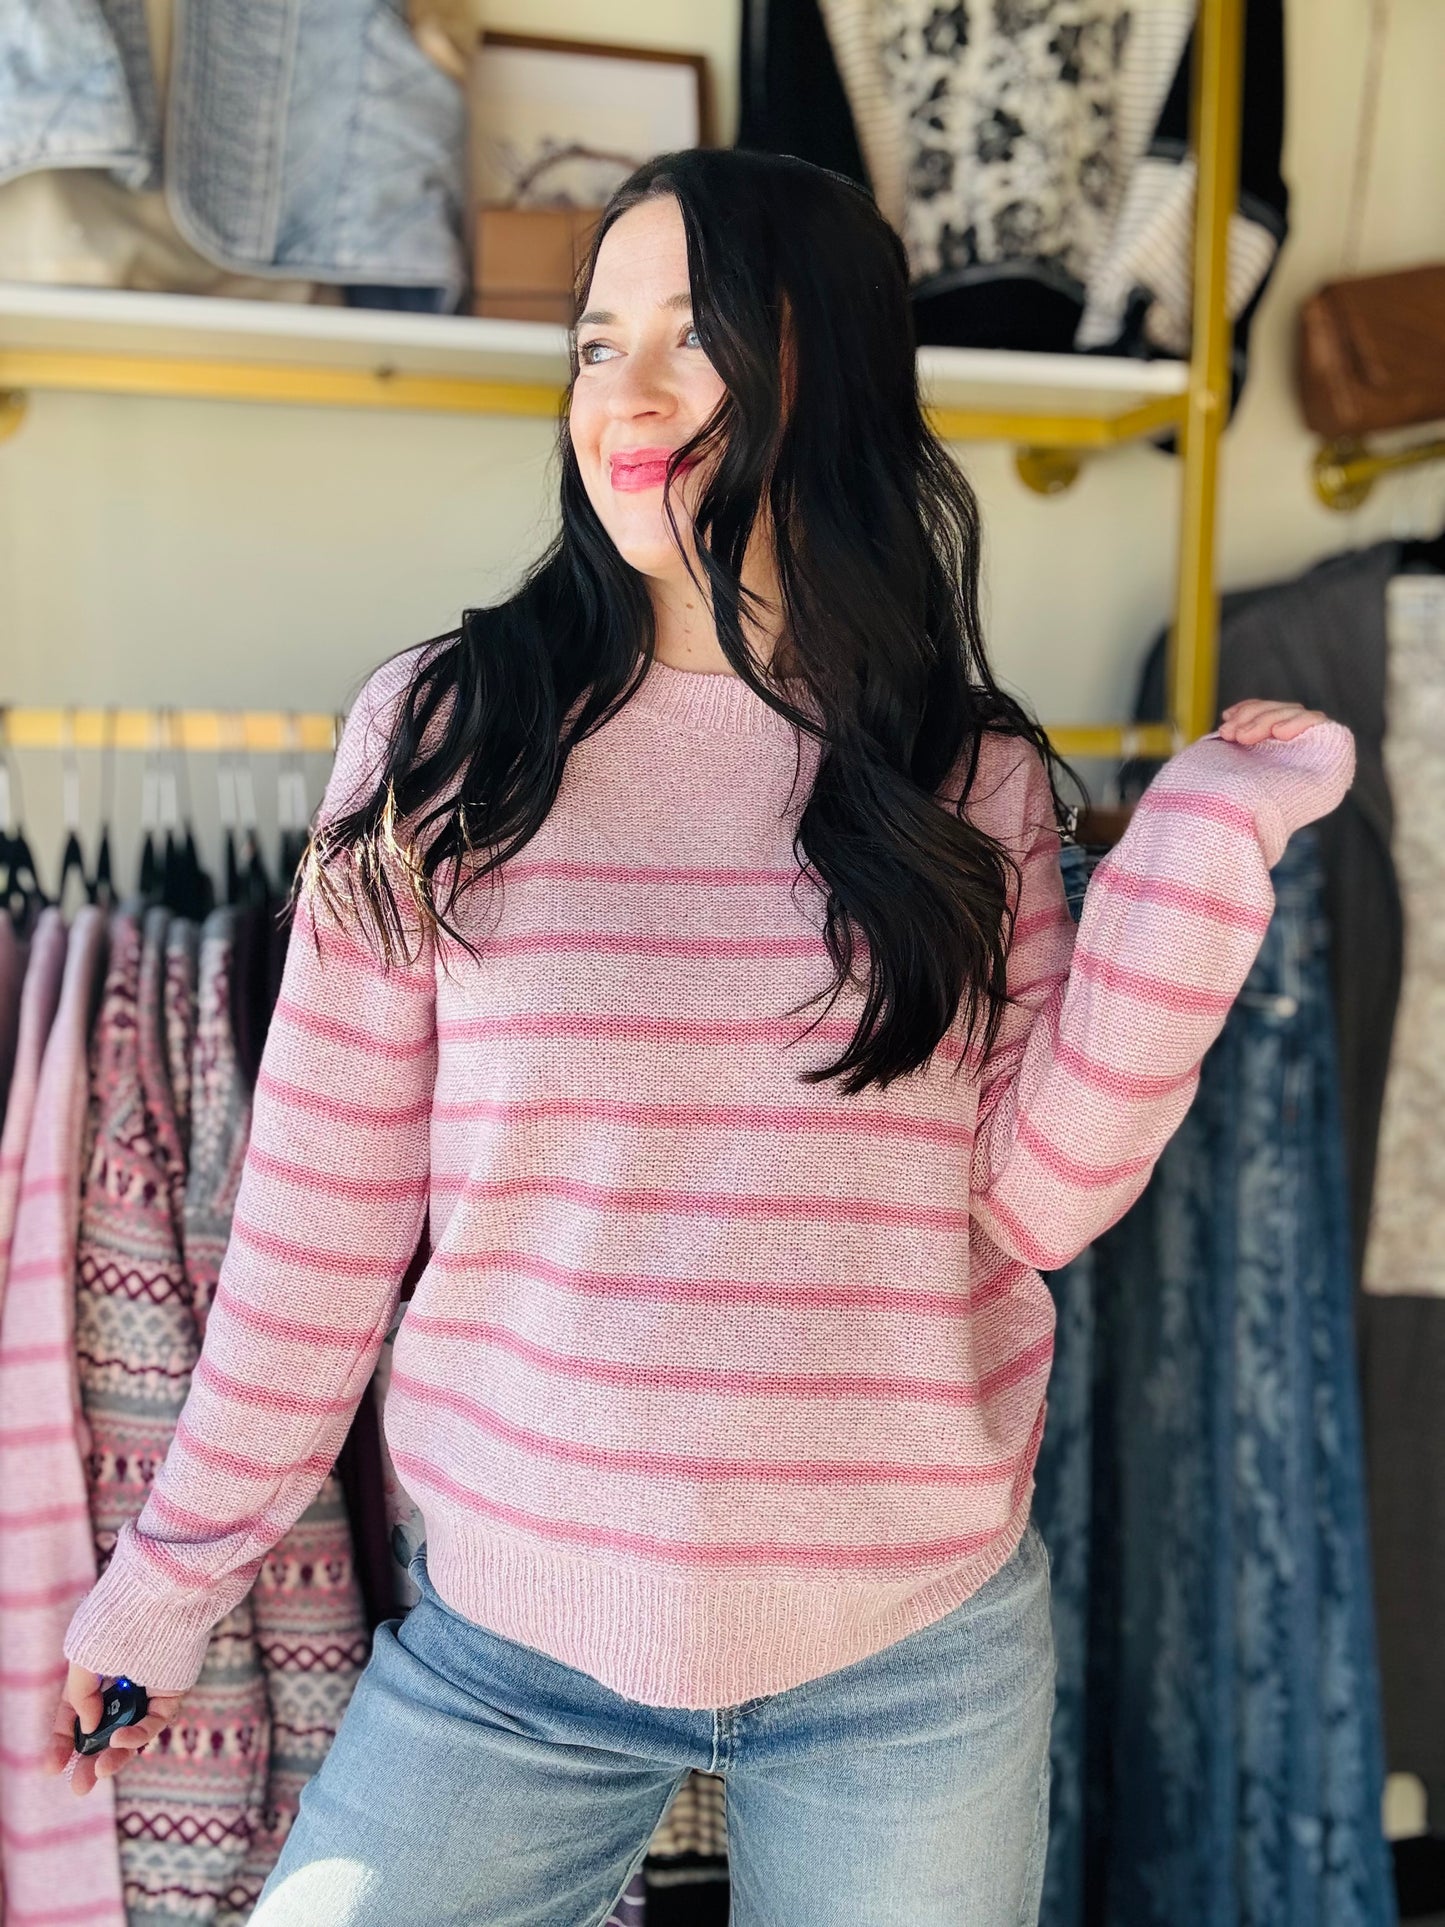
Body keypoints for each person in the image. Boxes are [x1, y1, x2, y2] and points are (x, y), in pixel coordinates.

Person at [45, 147, 1354, 1925]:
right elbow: (316, 1224)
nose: (628, 395)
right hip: (512, 1653)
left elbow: (1036, 1204)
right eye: (596, 343)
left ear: (832, 377)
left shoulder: (959, 774)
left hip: (905, 1657)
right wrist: (171, 1577)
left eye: (696, 334)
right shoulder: (446, 737)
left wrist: (1202, 840)